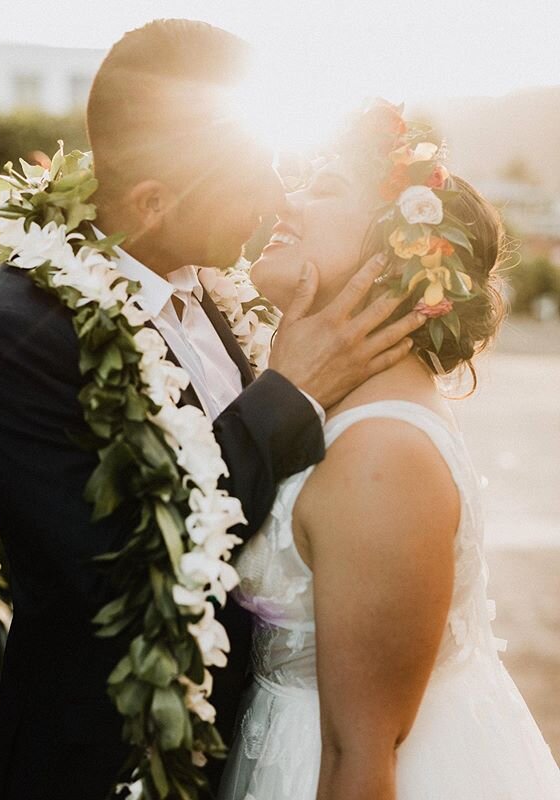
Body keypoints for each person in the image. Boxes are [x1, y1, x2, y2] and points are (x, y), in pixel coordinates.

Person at [0, 22, 423, 800]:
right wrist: (290, 391)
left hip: (257, 748)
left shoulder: (211, 284)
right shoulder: (15, 334)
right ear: (153, 202)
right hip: (110, 766)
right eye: (254, 175)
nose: (277, 196)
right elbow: (131, 567)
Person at [219, 104, 560, 799]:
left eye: (325, 186)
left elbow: (362, 761)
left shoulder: (380, 454)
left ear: (397, 254)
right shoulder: (333, 407)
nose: (286, 199)